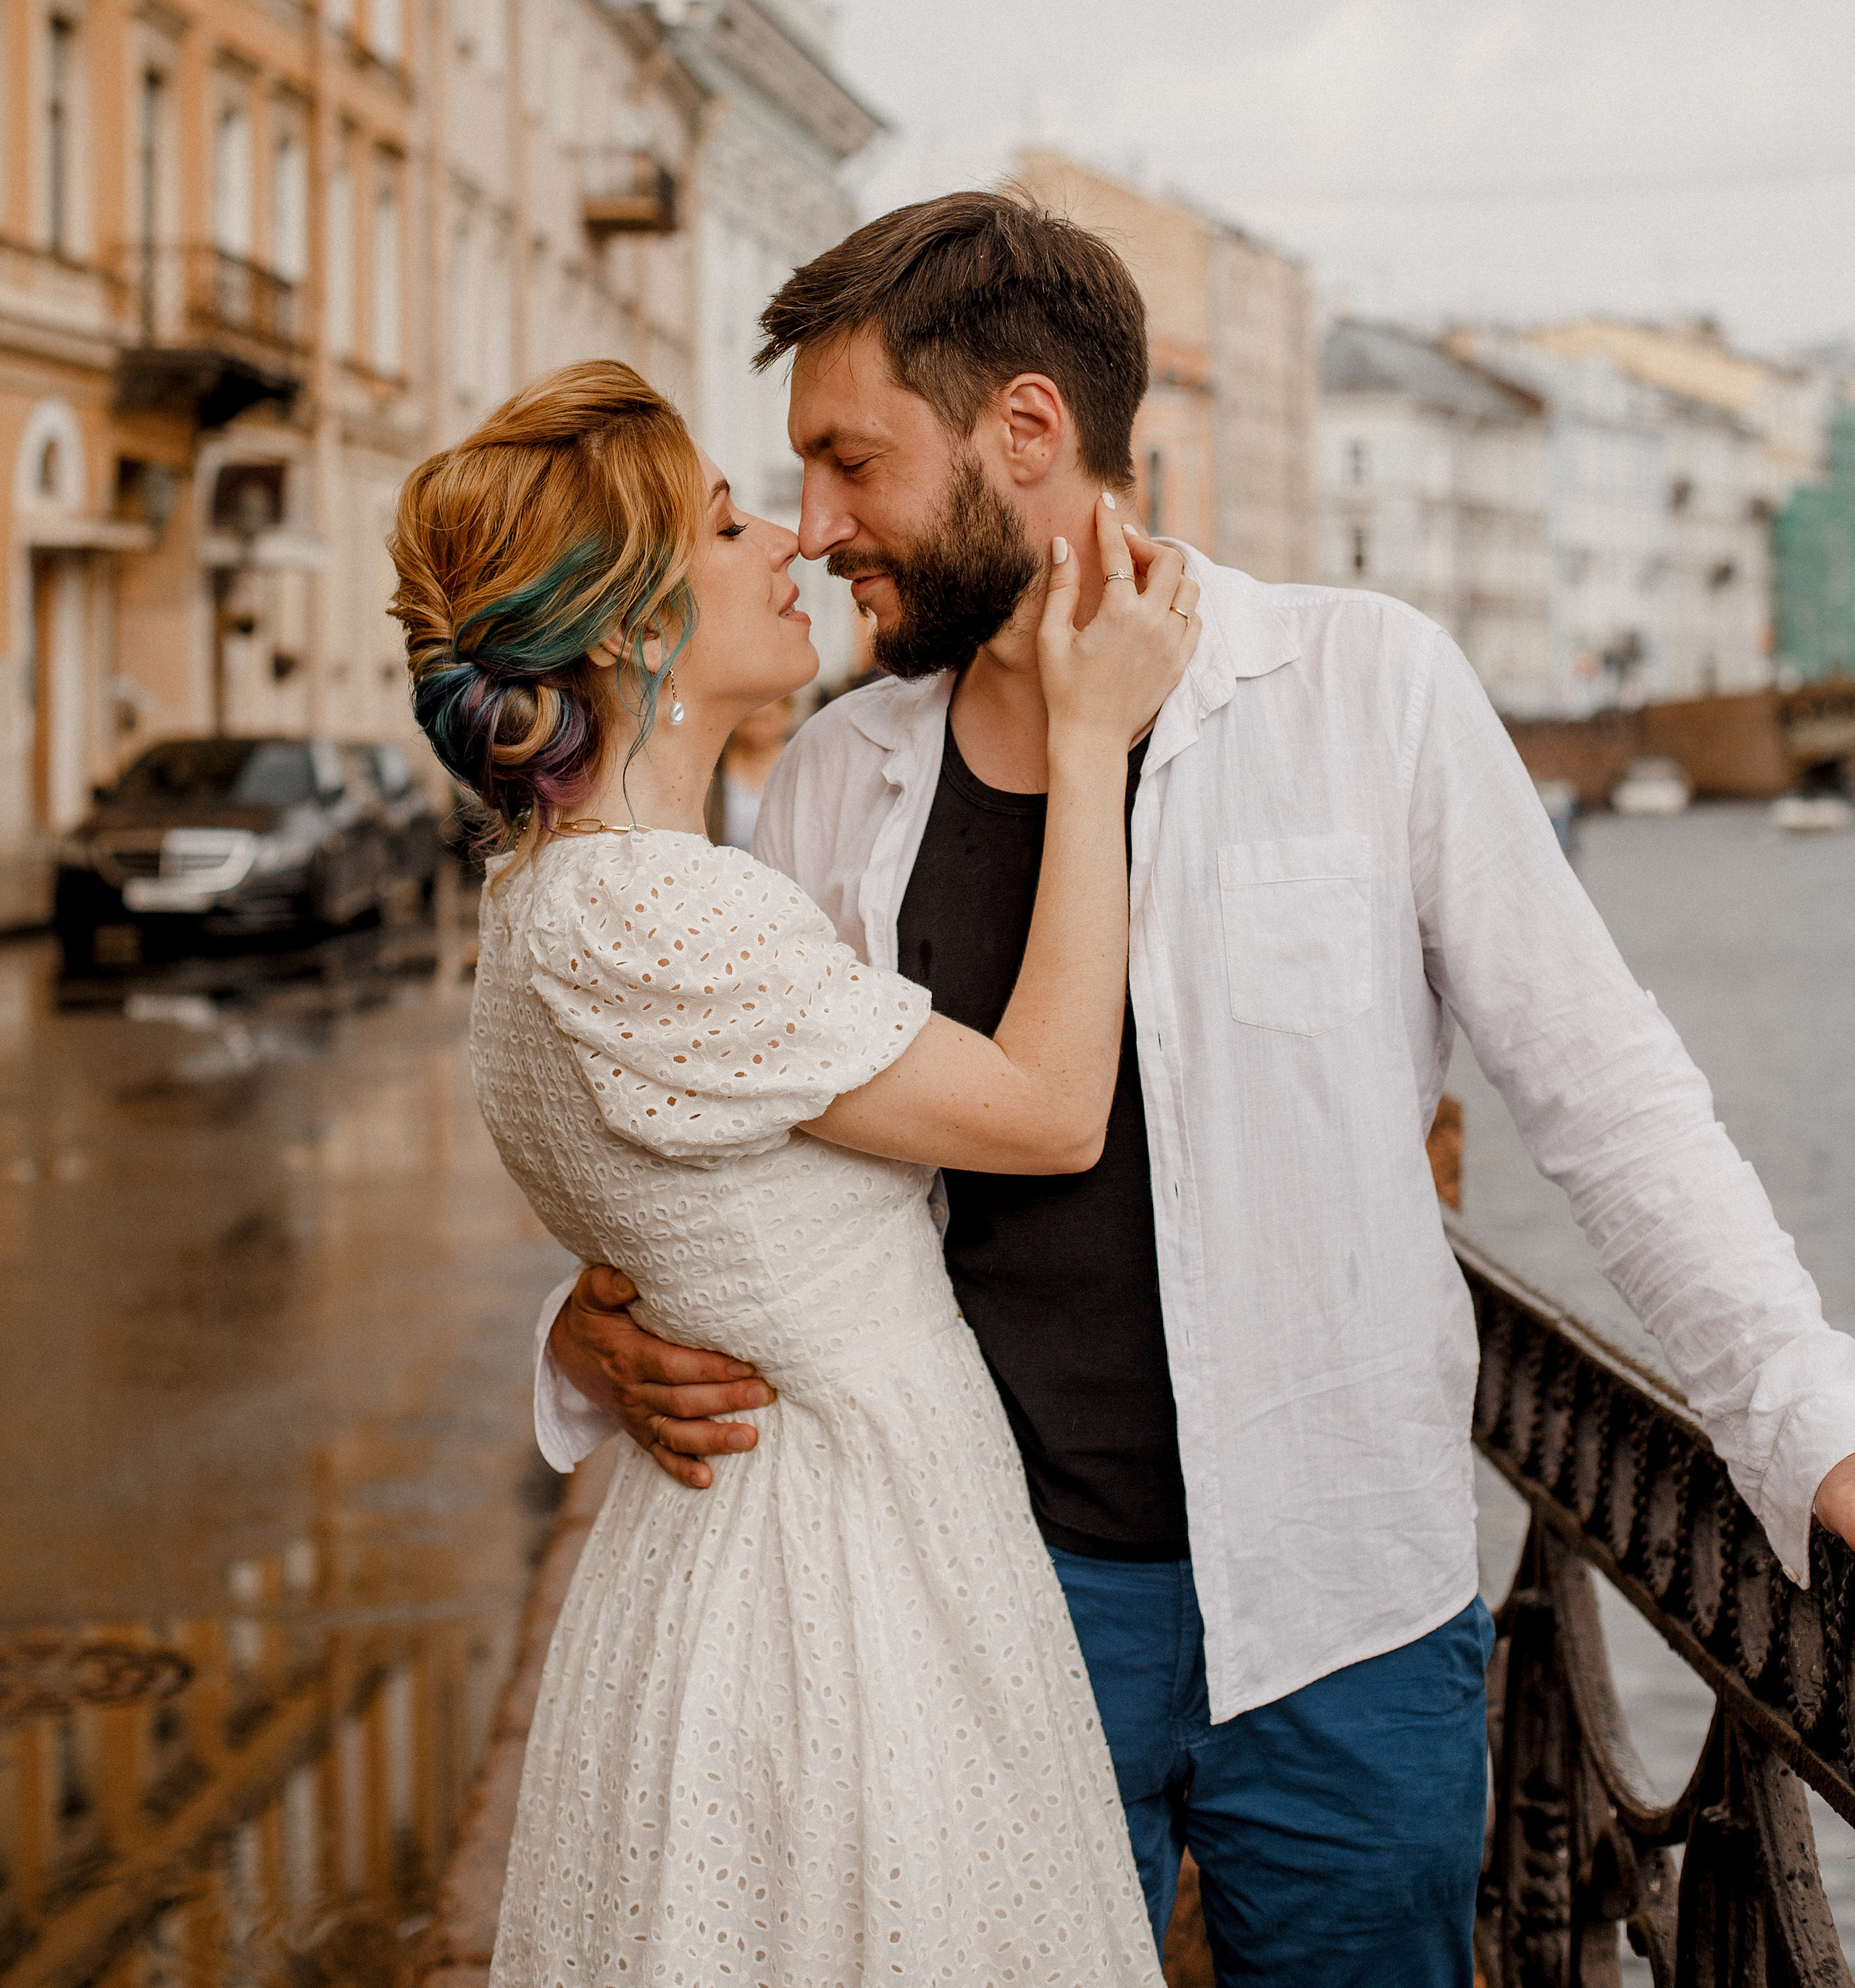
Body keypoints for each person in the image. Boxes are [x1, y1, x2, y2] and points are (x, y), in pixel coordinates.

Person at [541, 194, 1855, 1988]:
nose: (818, 526)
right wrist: (585, 1331)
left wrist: (1809, 1421)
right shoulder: (843, 771)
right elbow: (751, 1145)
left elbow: (1605, 1095)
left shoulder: (1361, 686)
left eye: (851, 461)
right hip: (977, 1594)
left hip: (1343, 1609)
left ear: (1024, 432)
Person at [388, 359, 1199, 1988]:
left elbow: (689, 1202)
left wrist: (582, 1333)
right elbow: (1048, 1111)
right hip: (841, 1573)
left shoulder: (561, 901)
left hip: (740, 1543)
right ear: (626, 628)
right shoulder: (658, 907)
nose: (789, 543)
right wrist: (1093, 739)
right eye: (725, 518)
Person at [704, 689, 796, 849]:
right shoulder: (713, 766)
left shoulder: (799, 767)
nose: (757, 729)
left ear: (787, 715)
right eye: (748, 719)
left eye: (768, 718)